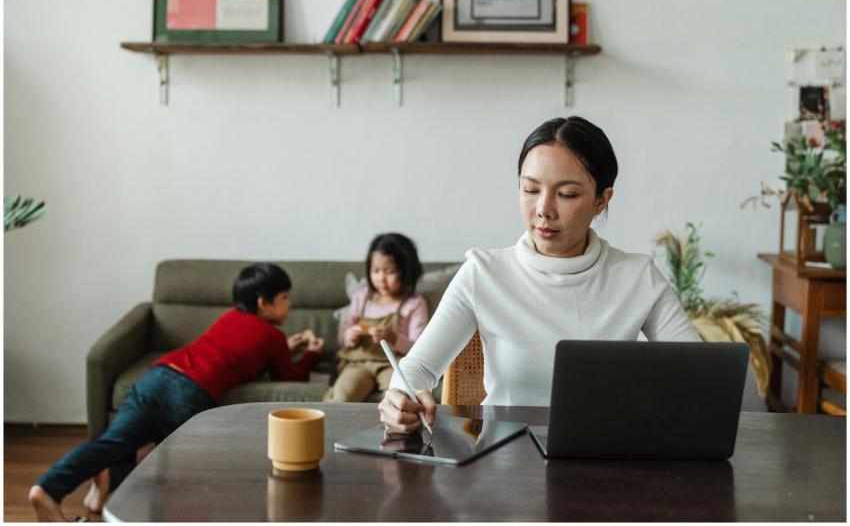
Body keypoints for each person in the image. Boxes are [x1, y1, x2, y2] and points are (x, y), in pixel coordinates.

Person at [378, 116, 701, 433]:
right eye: (530, 189)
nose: (544, 209)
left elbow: (699, 374)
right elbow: (418, 367)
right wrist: (400, 397)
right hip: (505, 463)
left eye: (567, 194)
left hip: (604, 459)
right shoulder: (483, 273)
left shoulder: (637, 277)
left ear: (602, 199)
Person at [29, 263, 325, 522]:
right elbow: (289, 375)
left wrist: (287, 348)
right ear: (264, 303)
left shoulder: (229, 317)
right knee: (185, 471)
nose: (291, 304)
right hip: (190, 393)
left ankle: (51, 488)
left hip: (158, 375)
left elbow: (235, 352)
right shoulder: (273, 336)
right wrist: (311, 354)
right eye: (285, 298)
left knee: (113, 442)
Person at [325, 233, 429, 402]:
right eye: (376, 271)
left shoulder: (414, 304)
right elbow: (342, 338)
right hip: (359, 362)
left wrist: (393, 338)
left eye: (390, 272)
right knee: (342, 397)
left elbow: (419, 348)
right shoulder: (361, 298)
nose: (381, 278)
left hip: (393, 364)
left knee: (398, 400)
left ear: (406, 272)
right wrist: (349, 337)